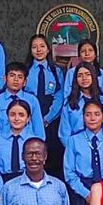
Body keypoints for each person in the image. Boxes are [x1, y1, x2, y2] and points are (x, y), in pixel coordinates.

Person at [24, 34, 65, 174]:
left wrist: (47, 118)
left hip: (51, 120)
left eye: (42, 46)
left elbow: (59, 97)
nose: (38, 50)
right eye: (34, 47)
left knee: (53, 155)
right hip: (30, 118)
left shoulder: (56, 71)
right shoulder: (26, 70)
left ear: (48, 49)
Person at [58, 62, 103, 146]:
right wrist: (72, 148)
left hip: (100, 145)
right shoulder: (70, 102)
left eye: (87, 74)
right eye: (80, 75)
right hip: (75, 145)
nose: (84, 78)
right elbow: (64, 133)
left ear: (93, 76)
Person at [0, 62, 44, 141]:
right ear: (5, 79)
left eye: (20, 77)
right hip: (3, 145)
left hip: (28, 145)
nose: (16, 80)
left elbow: (39, 132)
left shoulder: (32, 101)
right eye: (12, 75)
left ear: (25, 82)